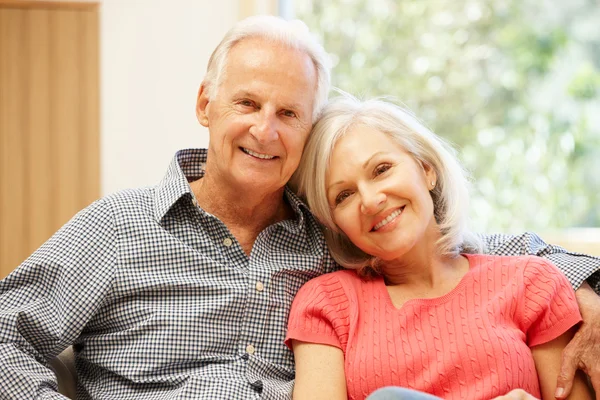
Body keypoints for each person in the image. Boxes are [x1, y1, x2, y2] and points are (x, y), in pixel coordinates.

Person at [0, 14, 598, 400]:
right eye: (247, 103)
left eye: (289, 114)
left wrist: (588, 292)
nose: (266, 130)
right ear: (206, 103)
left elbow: (467, 253)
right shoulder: (118, 229)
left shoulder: (333, 231)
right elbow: (7, 331)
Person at [286, 95, 596, 400]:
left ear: (426, 170)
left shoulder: (532, 282)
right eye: (343, 196)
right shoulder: (327, 305)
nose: (370, 201)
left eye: (381, 170)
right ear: (335, 223)